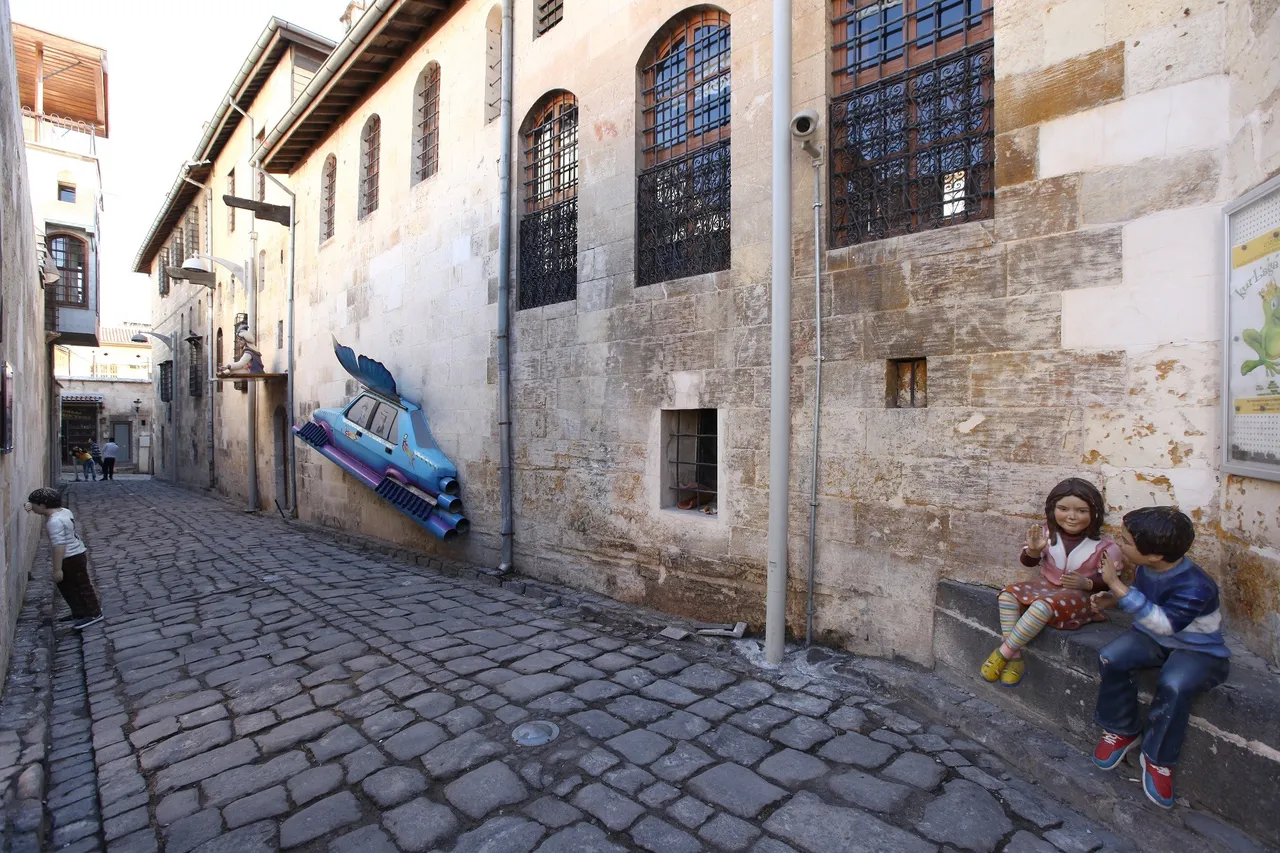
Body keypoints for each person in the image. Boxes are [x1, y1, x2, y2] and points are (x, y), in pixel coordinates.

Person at [1090, 506, 1229, 810]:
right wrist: (1112, 599)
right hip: (1153, 638)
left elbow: (1166, 623)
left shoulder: (1197, 586)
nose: (1119, 543)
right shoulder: (1145, 569)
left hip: (1196, 648)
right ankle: (1120, 727)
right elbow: (1142, 596)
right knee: (1112, 657)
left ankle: (1157, 758)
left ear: (1153, 555)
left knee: (1175, 684)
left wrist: (1114, 584)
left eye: (1125, 541)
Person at [981, 478, 1122, 687]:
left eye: (1082, 511)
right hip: (1046, 587)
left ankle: (1003, 653)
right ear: (1052, 509)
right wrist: (1034, 550)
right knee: (1008, 594)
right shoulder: (1046, 533)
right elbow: (1029, 562)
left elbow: (1110, 580)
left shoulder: (1104, 547)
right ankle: (1016, 658)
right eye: (1063, 509)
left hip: (1080, 598)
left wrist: (1088, 584)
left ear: (1095, 513)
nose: (1072, 517)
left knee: (1042, 606)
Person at [24, 488, 102, 630]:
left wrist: (57, 569)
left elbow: (59, 546)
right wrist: (29, 506)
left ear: (42, 505)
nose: (32, 508)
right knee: (66, 586)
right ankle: (79, 612)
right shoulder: (64, 511)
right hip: (76, 553)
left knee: (81, 585)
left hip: (71, 557)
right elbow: (41, 508)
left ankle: (94, 612)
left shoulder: (54, 522)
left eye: (33, 504)